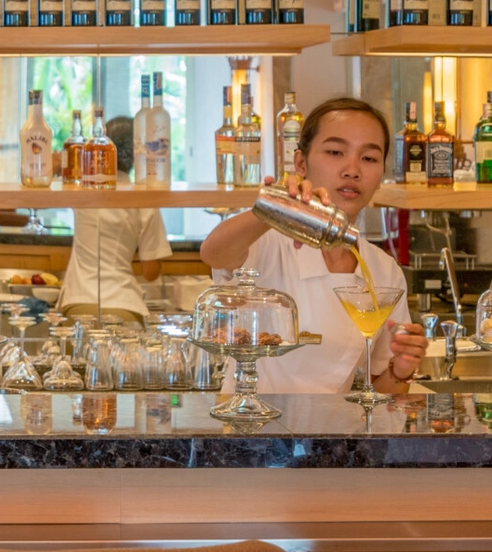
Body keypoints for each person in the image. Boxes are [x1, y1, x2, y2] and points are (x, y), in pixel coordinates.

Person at [198, 97, 426, 394]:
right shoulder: (268, 242)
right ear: (301, 163)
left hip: (331, 424)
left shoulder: (384, 271)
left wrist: (401, 369)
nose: (352, 170)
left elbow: (380, 394)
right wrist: (274, 207)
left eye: (369, 158)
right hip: (250, 420)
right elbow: (213, 253)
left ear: (381, 174)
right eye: (335, 152)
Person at [58, 116, 170, 324]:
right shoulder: (144, 197)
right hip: (123, 302)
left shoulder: (82, 187)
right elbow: (150, 271)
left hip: (78, 301)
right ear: (137, 154)